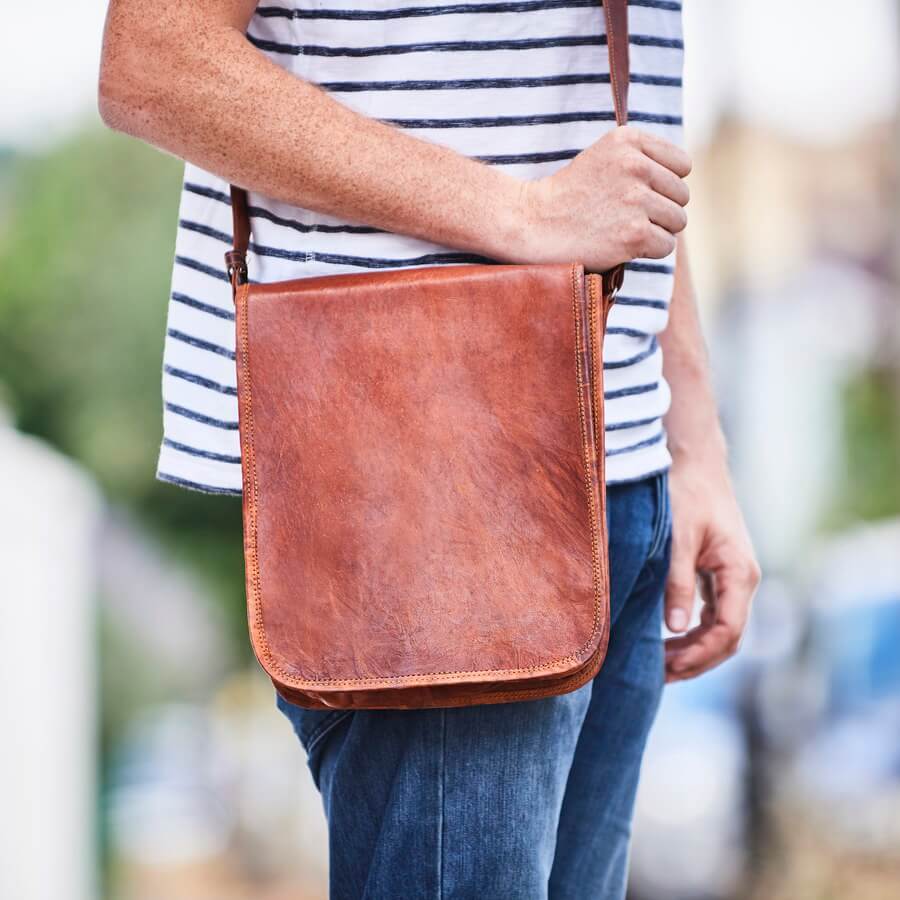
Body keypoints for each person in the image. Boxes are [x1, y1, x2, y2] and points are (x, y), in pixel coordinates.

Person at [98, 1, 760, 897]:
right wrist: (520, 216)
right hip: (420, 473)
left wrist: (694, 438)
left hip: (623, 461)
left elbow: (614, 135)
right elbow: (154, 61)